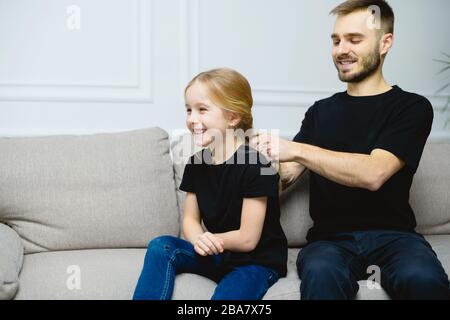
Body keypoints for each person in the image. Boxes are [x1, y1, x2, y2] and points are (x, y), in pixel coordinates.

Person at [252, 0, 450, 300]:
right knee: (321, 278)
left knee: (424, 280)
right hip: (329, 242)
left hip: (395, 238)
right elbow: (287, 175)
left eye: (354, 40)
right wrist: (247, 159)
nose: (341, 49)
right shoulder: (320, 112)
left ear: (385, 43)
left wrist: (298, 149)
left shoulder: (412, 107)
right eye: (336, 40)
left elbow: (374, 173)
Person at [132, 68, 288, 300]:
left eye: (202, 110)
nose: (192, 119)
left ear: (233, 117)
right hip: (216, 252)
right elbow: (190, 220)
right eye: (188, 110)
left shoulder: (257, 165)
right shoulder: (196, 164)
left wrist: (212, 241)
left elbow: (248, 238)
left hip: (254, 263)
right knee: (161, 246)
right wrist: (198, 239)